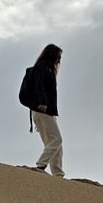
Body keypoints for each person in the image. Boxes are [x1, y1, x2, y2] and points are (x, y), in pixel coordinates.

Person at [19, 42, 64, 176]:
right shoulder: (42, 67)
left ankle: (58, 174)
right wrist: (42, 102)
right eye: (58, 56)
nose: (59, 60)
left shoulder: (47, 69)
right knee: (57, 140)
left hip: (42, 111)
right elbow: (39, 85)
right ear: (52, 55)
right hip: (42, 110)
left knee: (54, 144)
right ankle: (41, 165)